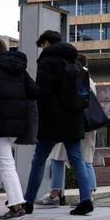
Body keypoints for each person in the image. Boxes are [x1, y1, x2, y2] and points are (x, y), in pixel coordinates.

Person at [23, 30, 94, 216]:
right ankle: (86, 200)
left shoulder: (47, 62)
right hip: (74, 117)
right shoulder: (75, 62)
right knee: (77, 159)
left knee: (39, 159)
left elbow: (42, 92)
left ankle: (28, 201)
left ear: (46, 43)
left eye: (42, 45)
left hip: (52, 119)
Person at [0, 35, 39, 220]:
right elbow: (35, 91)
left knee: (5, 164)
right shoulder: (19, 68)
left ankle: (16, 207)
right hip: (17, 123)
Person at [35, 53, 98, 208]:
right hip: (86, 125)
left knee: (58, 158)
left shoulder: (77, 75)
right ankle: (87, 194)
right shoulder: (89, 78)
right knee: (84, 159)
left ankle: (56, 194)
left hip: (72, 123)